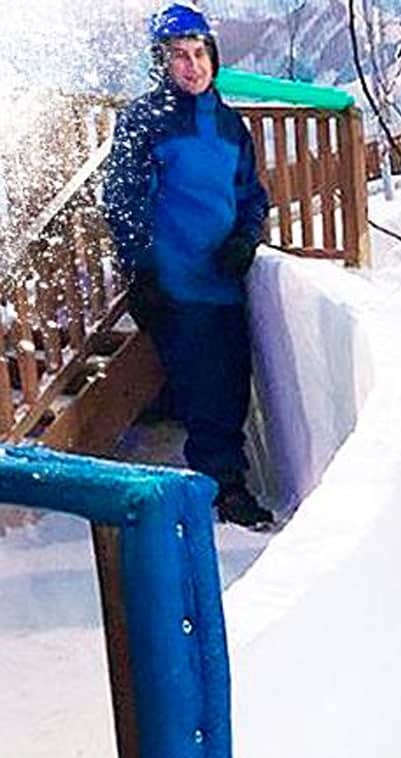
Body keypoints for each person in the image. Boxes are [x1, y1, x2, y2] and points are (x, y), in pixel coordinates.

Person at [103, 4, 272, 528]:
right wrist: (142, 268)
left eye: (200, 54)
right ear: (162, 64)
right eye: (179, 56)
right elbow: (121, 198)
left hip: (223, 282)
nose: (193, 65)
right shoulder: (145, 121)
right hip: (175, 283)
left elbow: (251, 195)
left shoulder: (228, 124)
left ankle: (219, 478)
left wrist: (246, 238)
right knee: (208, 393)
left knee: (232, 383)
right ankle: (223, 490)